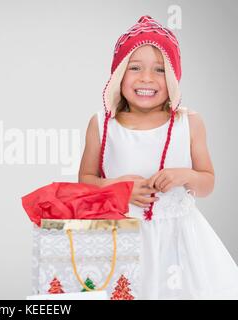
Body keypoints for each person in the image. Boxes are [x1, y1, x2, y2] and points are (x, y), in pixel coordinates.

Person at [79, 15, 238, 299]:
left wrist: (186, 176)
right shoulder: (103, 125)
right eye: (135, 67)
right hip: (121, 238)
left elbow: (207, 183)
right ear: (119, 75)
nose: (146, 78)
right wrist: (117, 189)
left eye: (160, 70)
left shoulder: (189, 122)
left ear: (174, 79)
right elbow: (86, 182)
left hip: (179, 242)